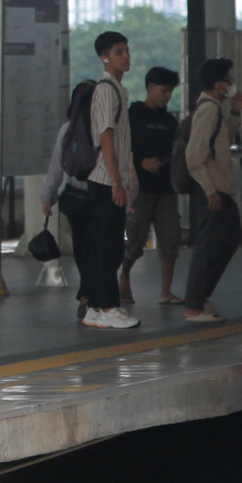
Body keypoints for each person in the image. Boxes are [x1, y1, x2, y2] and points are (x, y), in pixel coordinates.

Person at [81, 31, 140, 330]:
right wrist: (117, 182)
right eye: (119, 52)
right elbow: (106, 137)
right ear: (105, 58)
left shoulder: (118, 89)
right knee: (109, 246)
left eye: (127, 50)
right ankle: (106, 306)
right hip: (105, 180)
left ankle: (95, 307)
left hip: (110, 180)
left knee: (106, 244)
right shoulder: (106, 89)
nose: (126, 56)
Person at [183, 58, 242, 322]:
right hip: (211, 189)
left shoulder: (216, 109)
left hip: (220, 188)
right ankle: (193, 305)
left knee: (229, 238)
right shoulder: (208, 109)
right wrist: (209, 191)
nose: (231, 85)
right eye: (229, 80)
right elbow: (194, 155)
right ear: (218, 84)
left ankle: (200, 296)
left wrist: (235, 112)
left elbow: (223, 141)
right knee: (208, 247)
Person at [119, 66, 181, 306]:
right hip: (140, 188)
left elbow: (175, 150)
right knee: (135, 239)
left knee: (170, 238)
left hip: (166, 188)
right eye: (164, 91)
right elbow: (121, 149)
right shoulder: (133, 115)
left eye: (170, 92)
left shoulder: (169, 120)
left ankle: (166, 291)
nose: (167, 96)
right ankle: (124, 274)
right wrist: (141, 162)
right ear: (150, 88)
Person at [41, 118, 92, 317]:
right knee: (97, 246)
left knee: (82, 246)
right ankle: (92, 292)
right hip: (101, 197)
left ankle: (87, 292)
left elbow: (57, 165)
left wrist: (48, 196)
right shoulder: (106, 125)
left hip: (74, 198)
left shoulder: (68, 128)